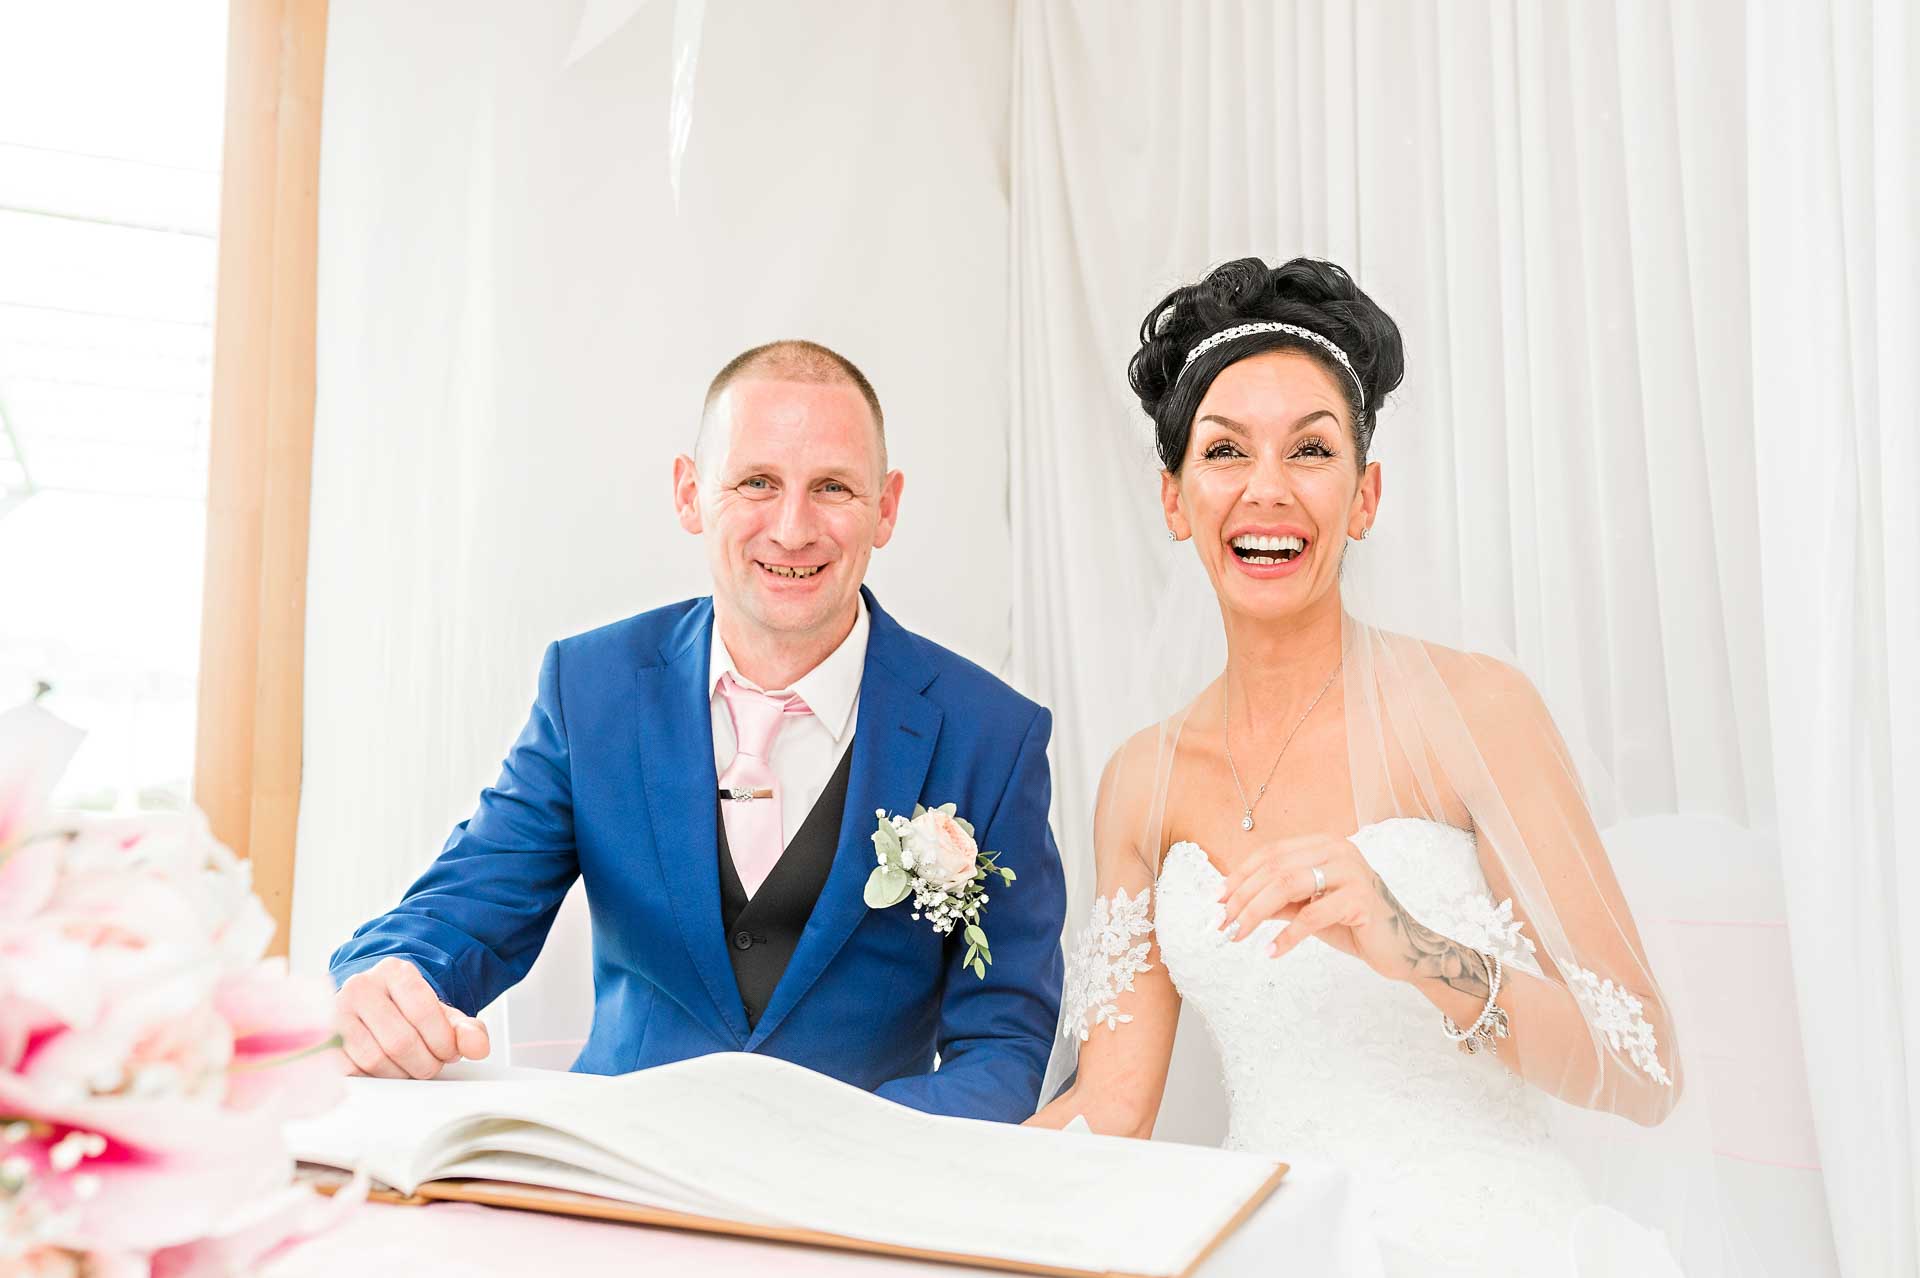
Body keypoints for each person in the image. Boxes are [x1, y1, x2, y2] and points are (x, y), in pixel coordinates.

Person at [1028, 258, 1690, 1273]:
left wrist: (1407, 942)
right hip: (1265, 1245)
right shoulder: (1140, 781)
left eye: (1310, 450)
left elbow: (1642, 1069)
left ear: (1366, 492)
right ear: (1174, 499)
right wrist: (930, 1186)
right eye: (1224, 452)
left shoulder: (1477, 711)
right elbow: (1112, 1106)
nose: (1267, 490)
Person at [329, 339, 1066, 1122]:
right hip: (612, 1179)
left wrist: (861, 1160)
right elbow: (465, 910)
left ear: (885, 508)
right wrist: (387, 977)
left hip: (850, 1209)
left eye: (833, 488)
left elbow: (1004, 1044)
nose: (792, 528)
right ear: (690, 493)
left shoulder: (991, 735)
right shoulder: (592, 690)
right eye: (757, 482)